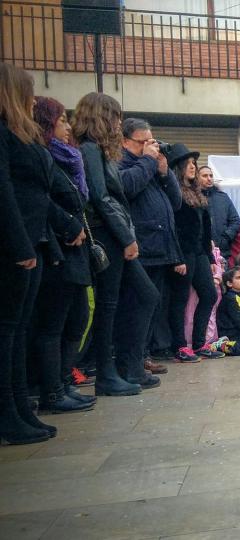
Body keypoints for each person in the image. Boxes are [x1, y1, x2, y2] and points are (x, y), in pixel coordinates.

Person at [73, 94, 159, 395]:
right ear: (102, 117)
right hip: (108, 234)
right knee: (110, 305)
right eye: (115, 116)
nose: (118, 123)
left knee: (138, 297)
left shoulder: (98, 151)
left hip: (114, 232)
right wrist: (126, 237)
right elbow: (100, 197)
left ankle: (124, 367)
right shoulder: (90, 150)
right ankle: (109, 373)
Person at [30, 96, 96, 413]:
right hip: (59, 248)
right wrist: (68, 224)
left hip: (75, 249)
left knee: (77, 320)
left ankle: (64, 381)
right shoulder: (45, 157)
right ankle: (52, 392)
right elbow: (41, 200)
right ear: (47, 126)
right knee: (54, 325)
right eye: (61, 122)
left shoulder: (69, 159)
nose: (68, 128)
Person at [0, 64, 53, 444]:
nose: (33, 99)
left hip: (32, 241)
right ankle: (8, 414)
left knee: (17, 330)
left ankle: (20, 408)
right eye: (29, 92)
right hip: (15, 247)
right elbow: (4, 193)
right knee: (7, 332)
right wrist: (20, 246)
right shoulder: (4, 135)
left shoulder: (22, 135)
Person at [117, 117, 181, 364]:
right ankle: (133, 358)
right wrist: (146, 160)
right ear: (125, 141)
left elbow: (175, 203)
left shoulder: (150, 165)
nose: (148, 147)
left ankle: (143, 354)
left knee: (152, 305)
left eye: (150, 141)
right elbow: (128, 188)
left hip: (160, 246)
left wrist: (165, 173)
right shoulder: (123, 162)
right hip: (140, 245)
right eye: (142, 142)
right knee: (137, 305)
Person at [166, 144, 221, 362]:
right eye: (188, 163)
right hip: (182, 254)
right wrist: (177, 258)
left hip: (198, 253)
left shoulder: (198, 194)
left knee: (209, 294)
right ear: (179, 167)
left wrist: (209, 258)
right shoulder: (174, 192)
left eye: (194, 164)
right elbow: (172, 228)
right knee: (179, 299)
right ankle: (180, 346)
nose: (192, 167)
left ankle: (199, 343)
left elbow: (205, 229)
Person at [198, 165, 240, 257]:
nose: (209, 178)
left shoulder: (223, 197)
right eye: (205, 176)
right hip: (201, 252)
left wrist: (225, 238)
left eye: (211, 175)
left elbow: (235, 221)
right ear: (197, 178)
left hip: (222, 252)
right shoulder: (193, 197)